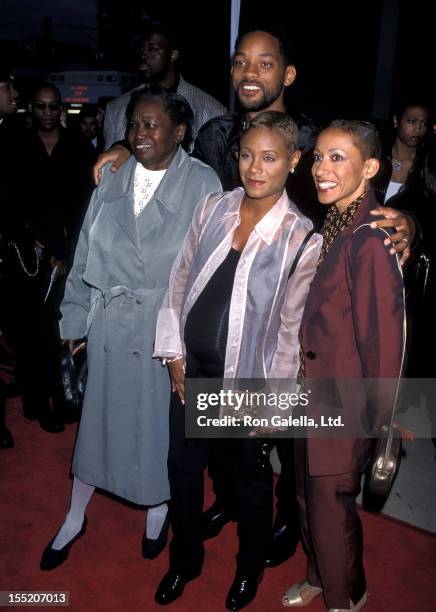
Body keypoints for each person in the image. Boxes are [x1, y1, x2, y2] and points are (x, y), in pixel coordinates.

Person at [92, 23, 416, 568]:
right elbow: (162, 141)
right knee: (215, 455)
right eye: (241, 61)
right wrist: (127, 144)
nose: (250, 72)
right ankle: (227, 516)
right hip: (215, 336)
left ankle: (282, 525)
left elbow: (357, 183)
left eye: (265, 63)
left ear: (287, 75)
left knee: (281, 455)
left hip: (298, 327)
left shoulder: (314, 137)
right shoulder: (215, 131)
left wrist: (404, 221)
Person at [39, 87, 221, 571]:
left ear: (179, 132)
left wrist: (190, 342)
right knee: (96, 426)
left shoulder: (204, 184)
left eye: (152, 125)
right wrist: (74, 320)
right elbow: (82, 253)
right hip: (110, 324)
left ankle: (156, 510)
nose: (139, 134)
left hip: (164, 332)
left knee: (155, 431)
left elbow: (210, 272)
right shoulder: (112, 175)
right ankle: (75, 514)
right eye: (134, 125)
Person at [153, 111, 322, 610]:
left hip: (247, 386)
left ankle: (248, 570)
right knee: (183, 476)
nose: (254, 167)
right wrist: (172, 354)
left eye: (269, 158)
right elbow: (178, 280)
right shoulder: (213, 207)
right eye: (246, 155)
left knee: (250, 486)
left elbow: (291, 332)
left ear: (293, 161)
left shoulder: (301, 237)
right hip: (192, 375)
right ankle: (184, 560)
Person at [282, 120, 405, 611]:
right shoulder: (336, 220)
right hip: (308, 393)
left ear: (370, 167)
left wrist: (380, 423)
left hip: (344, 404)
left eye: (338, 158)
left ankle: (346, 596)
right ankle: (319, 575)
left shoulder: (371, 237)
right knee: (306, 500)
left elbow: (384, 341)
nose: (322, 169)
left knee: (331, 511)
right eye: (319, 157)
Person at [103, 20, 226, 148]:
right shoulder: (116, 109)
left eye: (153, 49)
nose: (144, 55)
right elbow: (109, 165)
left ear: (173, 55)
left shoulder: (211, 111)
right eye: (142, 49)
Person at [373, 101, 430, 203]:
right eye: (412, 121)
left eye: (424, 123)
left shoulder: (426, 166)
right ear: (396, 120)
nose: (418, 128)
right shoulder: (376, 156)